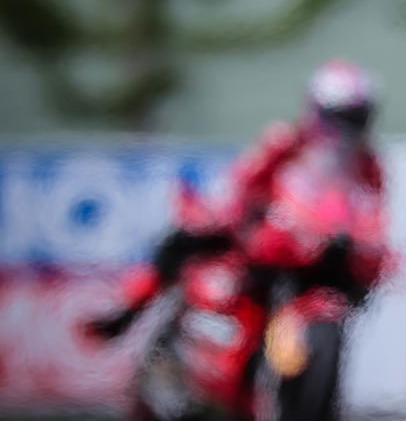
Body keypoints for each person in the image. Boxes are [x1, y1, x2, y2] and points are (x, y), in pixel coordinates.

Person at [85, 60, 387, 340]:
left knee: (356, 281)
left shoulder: (368, 164)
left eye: (356, 118)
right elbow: (241, 183)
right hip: (264, 237)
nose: (347, 128)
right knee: (183, 241)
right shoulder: (285, 141)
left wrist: (363, 248)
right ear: (317, 109)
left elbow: (373, 216)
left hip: (316, 255)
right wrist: (241, 215)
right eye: (340, 117)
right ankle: (129, 307)